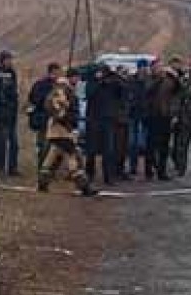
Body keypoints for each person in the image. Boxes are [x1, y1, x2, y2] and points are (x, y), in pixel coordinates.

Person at [39, 68, 98, 196]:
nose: (77, 80)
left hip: (55, 131)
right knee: (72, 155)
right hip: (63, 130)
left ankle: (42, 182)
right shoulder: (63, 92)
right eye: (76, 77)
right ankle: (84, 185)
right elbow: (61, 112)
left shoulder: (57, 91)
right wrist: (69, 122)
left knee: (52, 156)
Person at [85, 65, 121, 185]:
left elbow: (122, 91)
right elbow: (89, 93)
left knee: (108, 150)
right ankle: (89, 174)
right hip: (93, 119)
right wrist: (99, 81)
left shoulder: (112, 84)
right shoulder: (91, 83)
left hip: (108, 120)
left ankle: (108, 176)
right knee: (91, 149)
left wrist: (116, 77)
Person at [145, 60, 180, 181]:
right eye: (157, 67)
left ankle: (162, 171)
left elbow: (178, 90)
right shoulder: (149, 79)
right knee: (151, 145)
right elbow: (148, 91)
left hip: (165, 116)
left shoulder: (168, 80)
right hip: (152, 116)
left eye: (161, 67)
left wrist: (176, 77)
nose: (160, 69)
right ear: (152, 68)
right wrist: (159, 78)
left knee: (164, 145)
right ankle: (148, 171)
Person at [27, 63, 62, 170]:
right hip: (43, 119)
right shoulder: (41, 84)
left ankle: (51, 168)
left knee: (55, 146)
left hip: (55, 120)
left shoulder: (58, 85)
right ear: (52, 71)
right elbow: (34, 99)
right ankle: (43, 168)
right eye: (56, 72)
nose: (58, 74)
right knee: (44, 145)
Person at [126, 59, 151, 177]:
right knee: (132, 143)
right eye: (142, 67)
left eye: (145, 67)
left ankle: (148, 168)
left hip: (146, 115)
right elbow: (127, 95)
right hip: (133, 114)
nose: (144, 69)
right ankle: (133, 167)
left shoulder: (150, 81)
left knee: (146, 143)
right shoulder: (131, 80)